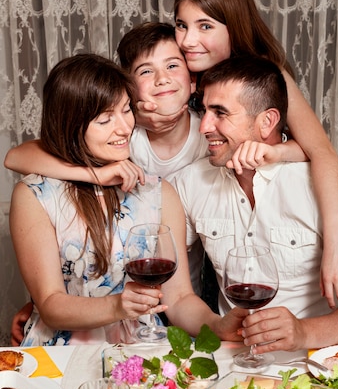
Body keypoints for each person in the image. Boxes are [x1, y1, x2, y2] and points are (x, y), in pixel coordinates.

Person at [136, 0, 338, 310]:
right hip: (189, 221)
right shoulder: (177, 69)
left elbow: (321, 152)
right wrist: (137, 118)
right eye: (182, 25)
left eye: (205, 26)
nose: (188, 40)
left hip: (234, 219)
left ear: (234, 27)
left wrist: (337, 246)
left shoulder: (264, 76)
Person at [8, 53, 245, 346]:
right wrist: (118, 305)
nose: (124, 128)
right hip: (62, 355)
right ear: (70, 125)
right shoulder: (35, 195)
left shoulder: (158, 192)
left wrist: (218, 325)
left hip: (144, 348)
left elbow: (180, 298)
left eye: (125, 110)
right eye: (105, 119)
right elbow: (51, 305)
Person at [173, 55, 338, 353]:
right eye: (203, 110)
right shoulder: (190, 182)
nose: (204, 126)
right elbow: (177, 295)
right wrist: (216, 325)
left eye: (220, 113)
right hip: (230, 360)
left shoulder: (322, 186)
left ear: (267, 121)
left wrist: (302, 332)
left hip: (312, 365)